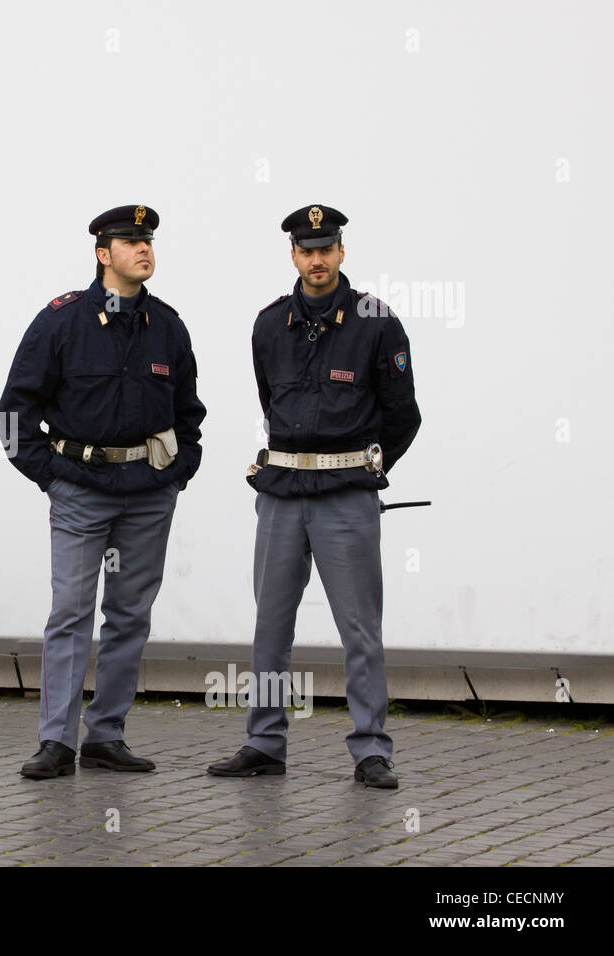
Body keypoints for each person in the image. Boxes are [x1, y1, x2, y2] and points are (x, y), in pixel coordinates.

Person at [207, 204, 421, 789]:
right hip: (280, 493)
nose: (317, 259)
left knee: (359, 628)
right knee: (270, 625)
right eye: (307, 250)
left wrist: (364, 470)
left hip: (345, 496)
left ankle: (371, 749)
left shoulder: (377, 321)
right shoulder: (269, 323)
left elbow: (404, 415)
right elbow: (269, 402)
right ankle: (264, 741)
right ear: (294, 255)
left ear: (341, 252)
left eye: (326, 248)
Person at [0, 204, 205, 779]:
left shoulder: (167, 326)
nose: (144, 249)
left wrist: (178, 472)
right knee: (70, 613)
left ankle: (106, 736)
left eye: (149, 241)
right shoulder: (60, 321)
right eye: (130, 241)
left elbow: (189, 415)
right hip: (80, 490)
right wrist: (52, 478)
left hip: (147, 493)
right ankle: (57, 742)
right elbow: (15, 412)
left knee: (129, 615)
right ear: (102, 252)